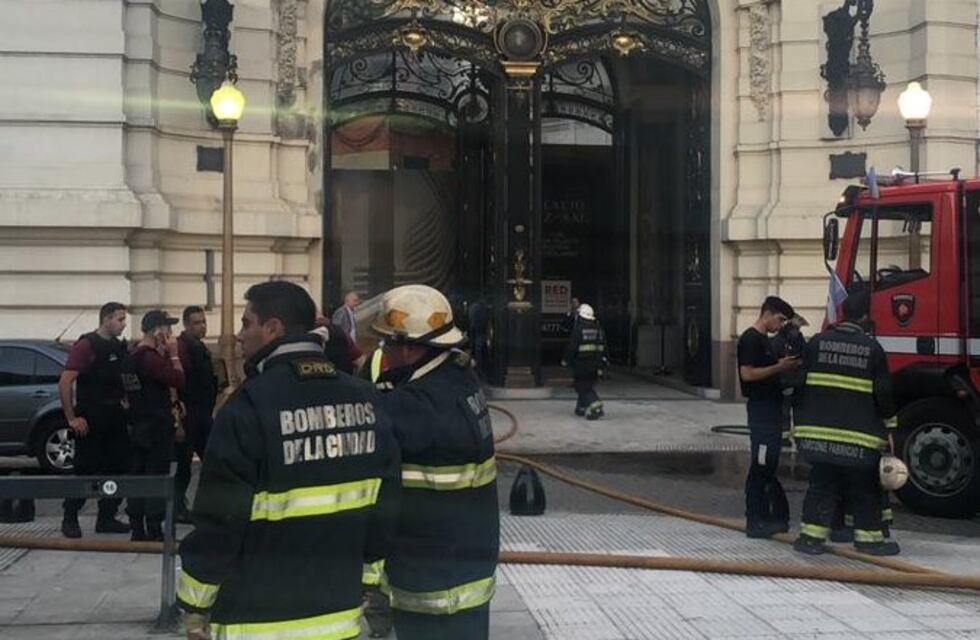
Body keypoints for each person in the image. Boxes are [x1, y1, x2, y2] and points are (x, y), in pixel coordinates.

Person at [177, 281, 400, 640]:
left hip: (254, 622)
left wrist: (195, 609)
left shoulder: (247, 407)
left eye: (246, 323)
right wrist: (366, 581)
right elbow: (385, 507)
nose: (238, 335)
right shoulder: (367, 400)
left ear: (273, 328)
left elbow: (220, 522)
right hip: (337, 618)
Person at [372, 284, 499, 640]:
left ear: (409, 347)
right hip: (469, 567)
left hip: (428, 579)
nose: (384, 351)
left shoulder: (412, 405)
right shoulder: (462, 380)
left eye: (387, 343)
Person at [792, 291, 900, 556]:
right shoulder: (872, 349)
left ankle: (810, 539)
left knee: (821, 485)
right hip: (858, 439)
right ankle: (869, 541)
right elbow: (883, 393)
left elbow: (798, 385)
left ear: (842, 313)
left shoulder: (817, 343)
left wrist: (796, 423)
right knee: (864, 489)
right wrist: (890, 426)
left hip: (818, 436)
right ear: (865, 316)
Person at [58, 302, 132, 539]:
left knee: (118, 468)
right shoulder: (88, 344)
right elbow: (65, 381)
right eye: (120, 319)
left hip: (115, 417)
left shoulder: (119, 347)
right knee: (85, 470)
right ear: (107, 319)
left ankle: (107, 517)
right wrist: (72, 418)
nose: (124, 324)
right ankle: (70, 517)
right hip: (91, 417)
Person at [737, 295, 799, 539]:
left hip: (771, 410)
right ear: (767, 314)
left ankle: (771, 517)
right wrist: (779, 367)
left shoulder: (765, 341)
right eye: (780, 319)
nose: (781, 324)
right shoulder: (751, 339)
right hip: (761, 411)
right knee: (761, 466)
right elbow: (748, 374)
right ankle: (755, 520)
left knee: (768, 465)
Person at [121, 310, 185, 541]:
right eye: (168, 328)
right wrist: (174, 355)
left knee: (137, 477)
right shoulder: (151, 358)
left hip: (137, 424)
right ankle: (154, 528)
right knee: (156, 477)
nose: (171, 334)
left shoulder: (131, 357)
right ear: (158, 331)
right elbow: (178, 380)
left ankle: (137, 527)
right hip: (156, 426)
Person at [175, 306, 219, 524]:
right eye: (196, 323)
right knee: (183, 464)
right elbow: (179, 380)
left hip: (202, 412)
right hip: (189, 413)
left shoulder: (198, 346)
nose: (202, 326)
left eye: (203, 321)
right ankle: (177, 507)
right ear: (186, 324)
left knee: (213, 460)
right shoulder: (182, 347)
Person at [562, 303, 608, 420]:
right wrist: (603, 363)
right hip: (596, 364)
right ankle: (581, 408)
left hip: (582, 364)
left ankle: (596, 406)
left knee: (584, 387)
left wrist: (566, 360)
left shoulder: (578, 330)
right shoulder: (599, 329)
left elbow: (572, 348)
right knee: (585, 384)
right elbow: (604, 347)